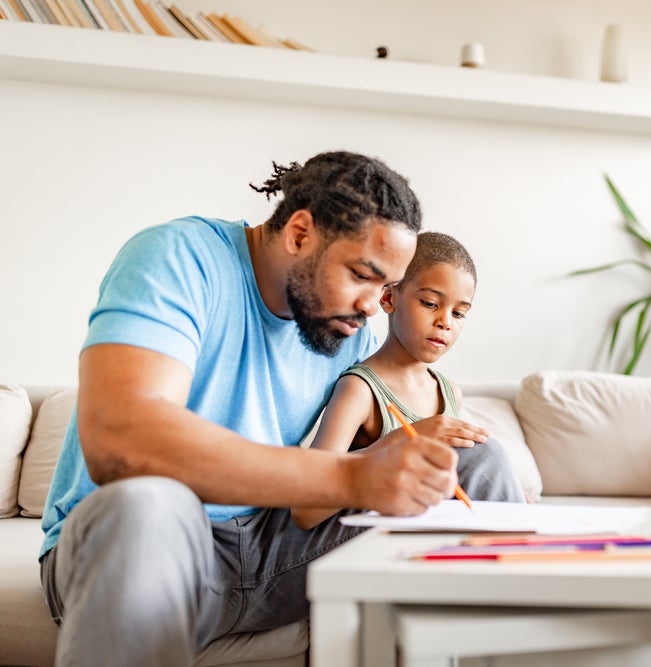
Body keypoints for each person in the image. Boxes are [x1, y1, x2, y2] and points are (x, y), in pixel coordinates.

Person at [37, 151, 522, 666]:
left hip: (272, 551)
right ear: (298, 234)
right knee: (151, 505)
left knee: (471, 457)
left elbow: (362, 467)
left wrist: (406, 451)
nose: (369, 305)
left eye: (384, 289)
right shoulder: (180, 257)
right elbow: (121, 444)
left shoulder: (349, 334)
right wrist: (352, 478)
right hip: (146, 544)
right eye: (362, 274)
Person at [291, 231, 524, 530]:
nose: (445, 321)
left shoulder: (449, 392)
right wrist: (399, 440)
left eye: (459, 312)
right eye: (430, 303)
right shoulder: (360, 390)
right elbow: (305, 510)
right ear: (389, 298)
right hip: (366, 532)